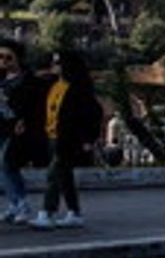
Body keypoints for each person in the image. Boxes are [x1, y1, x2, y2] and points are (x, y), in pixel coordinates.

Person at [30, 51, 102, 230]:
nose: (54, 66)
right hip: (51, 136)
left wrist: (88, 138)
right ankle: (74, 212)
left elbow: (93, 114)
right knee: (64, 177)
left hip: (68, 138)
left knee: (53, 174)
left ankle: (47, 212)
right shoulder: (52, 85)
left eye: (57, 63)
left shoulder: (78, 88)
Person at [0, 39, 36, 224]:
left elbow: (33, 105)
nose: (4, 61)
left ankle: (22, 204)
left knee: (7, 165)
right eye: (0, 57)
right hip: (1, 126)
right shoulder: (1, 78)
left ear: (18, 58)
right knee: (3, 168)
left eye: (8, 57)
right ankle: (14, 204)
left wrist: (25, 121)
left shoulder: (27, 79)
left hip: (16, 129)